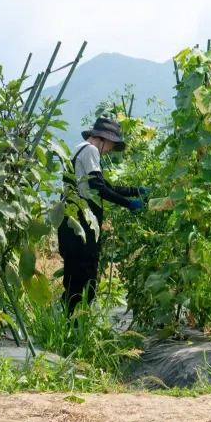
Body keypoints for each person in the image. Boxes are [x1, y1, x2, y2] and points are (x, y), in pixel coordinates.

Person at [58, 116, 145, 315]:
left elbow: (105, 185)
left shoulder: (81, 149)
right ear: (102, 138)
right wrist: (128, 204)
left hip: (71, 223)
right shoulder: (90, 150)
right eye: (111, 145)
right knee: (84, 280)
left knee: (75, 280)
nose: (110, 150)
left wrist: (134, 191)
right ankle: (72, 325)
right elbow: (99, 189)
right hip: (80, 223)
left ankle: (68, 324)